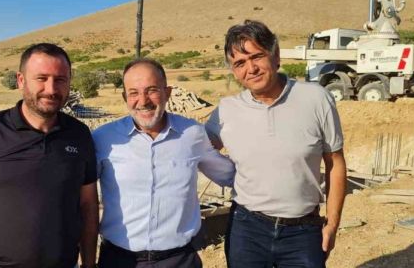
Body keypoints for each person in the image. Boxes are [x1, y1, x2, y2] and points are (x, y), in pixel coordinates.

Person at [0, 43, 99, 268]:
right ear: (21, 80)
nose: (51, 89)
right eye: (41, 78)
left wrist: (89, 264)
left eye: (60, 79)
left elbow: (88, 205)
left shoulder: (79, 134)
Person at [206, 20, 347, 268]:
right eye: (240, 63)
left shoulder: (316, 99)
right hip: (246, 230)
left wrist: (332, 224)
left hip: (302, 231)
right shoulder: (226, 110)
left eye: (257, 56)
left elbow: (335, 163)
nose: (251, 69)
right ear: (234, 71)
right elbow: (195, 150)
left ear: (276, 55)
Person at [93, 58, 235, 268]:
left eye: (152, 90)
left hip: (179, 260)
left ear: (167, 93)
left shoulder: (192, 134)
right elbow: (81, 195)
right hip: (119, 261)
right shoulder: (104, 138)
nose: (143, 101)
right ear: (125, 97)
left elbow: (228, 175)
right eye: (133, 92)